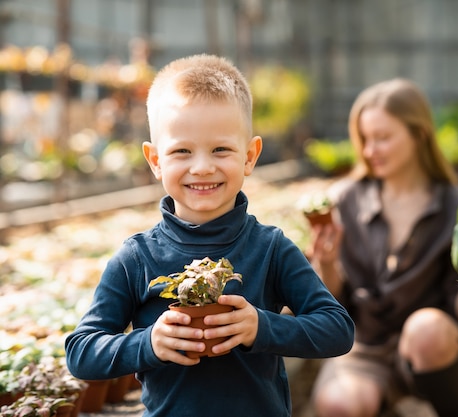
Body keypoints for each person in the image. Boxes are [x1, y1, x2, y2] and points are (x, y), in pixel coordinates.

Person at [64, 54, 354, 417]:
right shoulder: (137, 257)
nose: (202, 167)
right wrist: (149, 343)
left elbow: (337, 329)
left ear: (250, 156)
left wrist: (260, 326)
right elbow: (80, 352)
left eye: (221, 149)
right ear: (155, 161)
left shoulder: (271, 248)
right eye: (181, 151)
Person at [309, 78, 458, 417]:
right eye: (365, 139)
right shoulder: (345, 201)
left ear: (419, 134)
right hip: (364, 347)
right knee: (337, 404)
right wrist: (328, 264)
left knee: (427, 330)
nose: (369, 151)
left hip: (428, 346)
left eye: (383, 138)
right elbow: (336, 303)